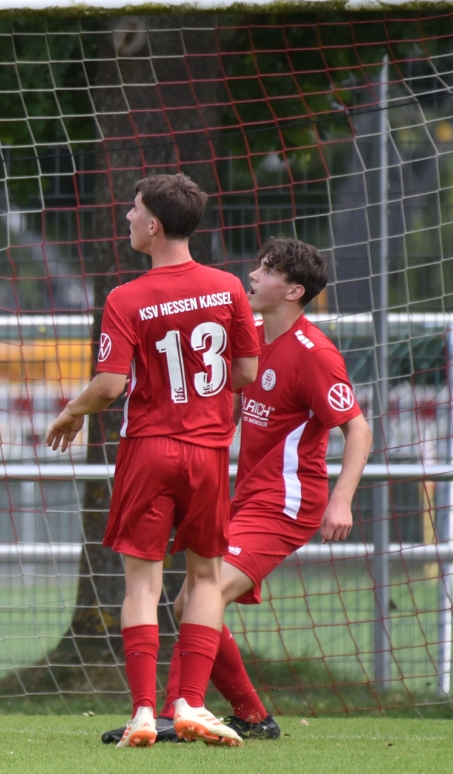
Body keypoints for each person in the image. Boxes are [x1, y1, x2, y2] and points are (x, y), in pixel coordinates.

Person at [111, 239, 369, 743]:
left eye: (267, 271)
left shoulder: (315, 354)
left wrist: (342, 500)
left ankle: (174, 712)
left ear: (293, 292)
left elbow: (358, 429)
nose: (253, 275)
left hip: (287, 502)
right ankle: (249, 715)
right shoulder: (248, 332)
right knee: (190, 601)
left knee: (201, 595)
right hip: (245, 494)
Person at [45, 173, 259, 748]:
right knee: (206, 577)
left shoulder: (126, 296)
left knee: (142, 582)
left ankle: (143, 712)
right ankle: (191, 702)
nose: (128, 217)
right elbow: (245, 372)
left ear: (155, 225)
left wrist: (72, 411)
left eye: (135, 210)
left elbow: (110, 385)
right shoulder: (228, 288)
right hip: (208, 451)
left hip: (150, 449)